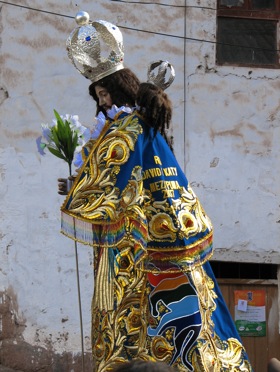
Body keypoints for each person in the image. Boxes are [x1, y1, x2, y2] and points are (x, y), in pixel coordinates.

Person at [60, 11, 253, 372]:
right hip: (172, 233)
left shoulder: (125, 129)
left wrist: (75, 189)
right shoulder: (150, 128)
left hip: (140, 243)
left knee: (139, 320)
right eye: (99, 96)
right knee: (195, 312)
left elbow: (102, 187)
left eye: (103, 94)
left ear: (115, 90)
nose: (101, 103)